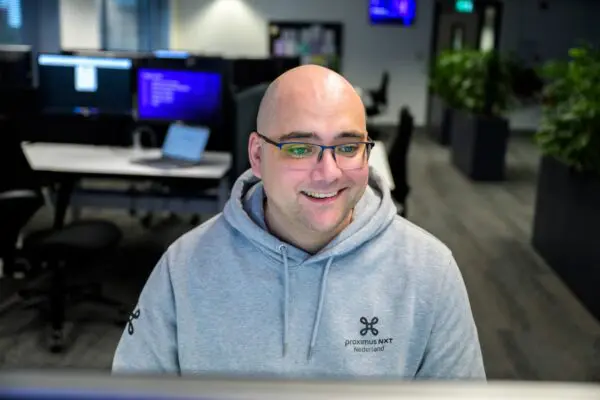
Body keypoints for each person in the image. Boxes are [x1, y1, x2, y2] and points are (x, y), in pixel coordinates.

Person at [112, 65, 486, 380]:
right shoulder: (184, 266)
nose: (328, 172)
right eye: (300, 148)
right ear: (258, 156)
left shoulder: (430, 272)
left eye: (347, 146)